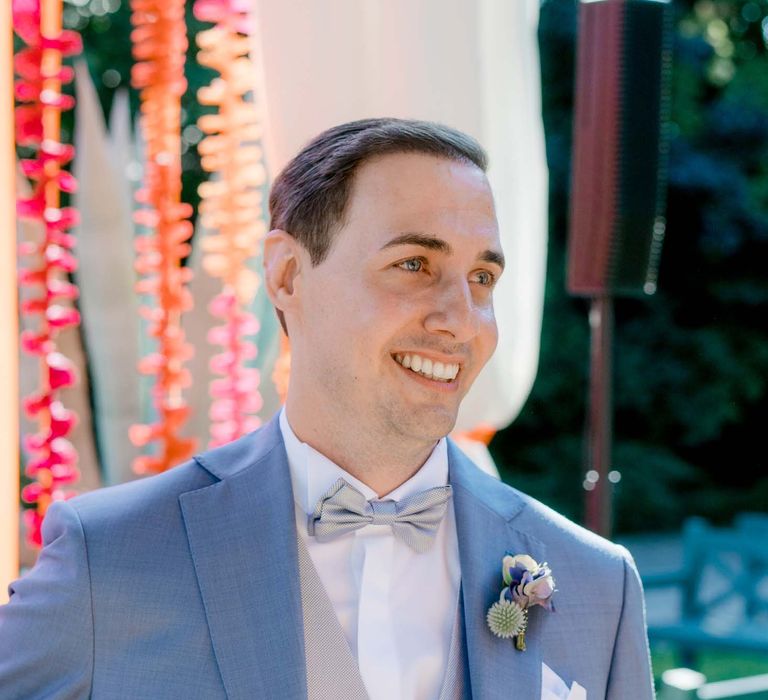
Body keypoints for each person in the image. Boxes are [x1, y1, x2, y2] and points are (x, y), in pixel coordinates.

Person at [0, 118, 654, 699]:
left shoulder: (597, 585)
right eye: (415, 263)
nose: (462, 320)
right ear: (287, 275)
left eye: (481, 278)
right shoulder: (109, 559)